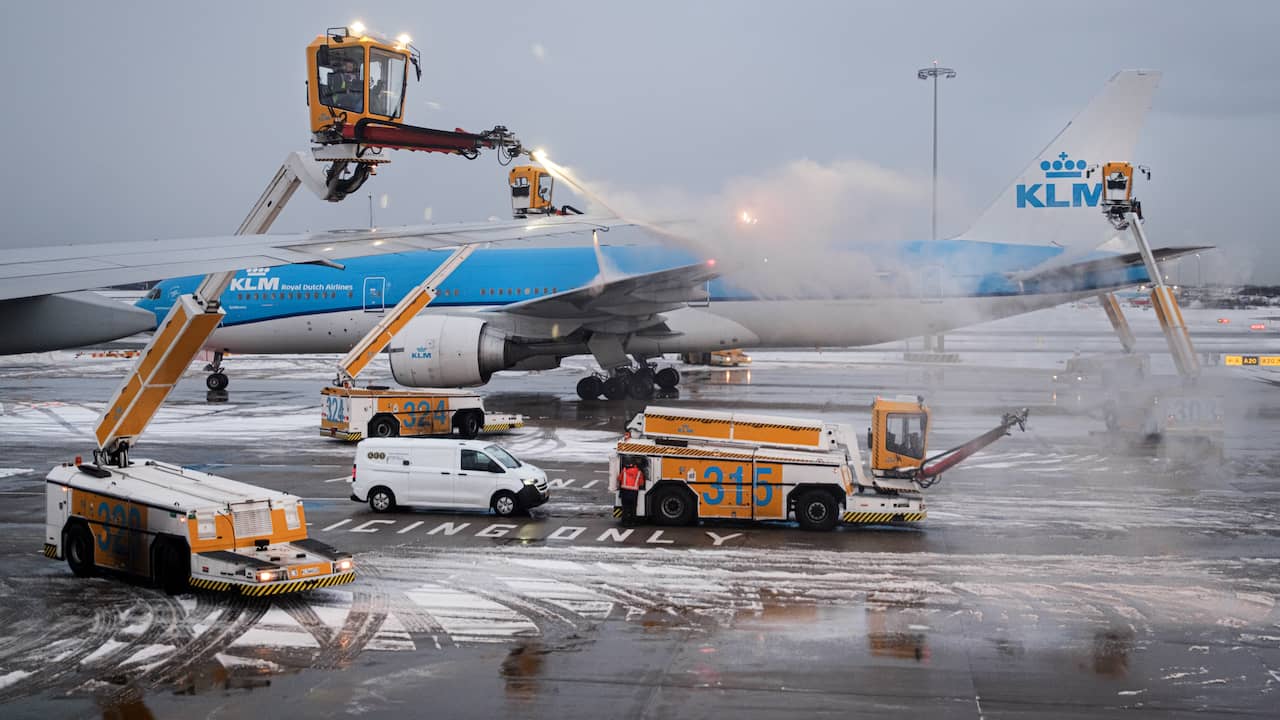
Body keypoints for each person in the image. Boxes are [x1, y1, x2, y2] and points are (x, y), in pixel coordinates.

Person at [617, 457, 646, 525]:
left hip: (625, 491)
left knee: (625, 508)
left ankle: (625, 522)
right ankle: (632, 521)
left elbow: (619, 478)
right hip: (633, 492)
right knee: (633, 508)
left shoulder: (624, 470)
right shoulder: (639, 472)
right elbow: (641, 483)